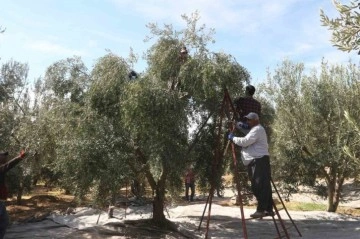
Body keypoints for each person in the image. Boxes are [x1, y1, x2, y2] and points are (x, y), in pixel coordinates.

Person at [228, 112, 273, 218]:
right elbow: (246, 131)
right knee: (264, 186)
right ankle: (268, 209)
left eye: (249, 120)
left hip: (258, 161)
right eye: (247, 120)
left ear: (255, 120)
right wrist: (238, 124)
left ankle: (261, 210)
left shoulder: (257, 129)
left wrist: (233, 138)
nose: (247, 122)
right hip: (260, 160)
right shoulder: (256, 129)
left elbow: (245, 141)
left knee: (258, 186)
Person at [0, 150, 26, 239]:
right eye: (3, 155)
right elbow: (9, 165)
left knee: (4, 222)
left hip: (1, 202)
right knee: (3, 222)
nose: (5, 157)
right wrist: (20, 157)